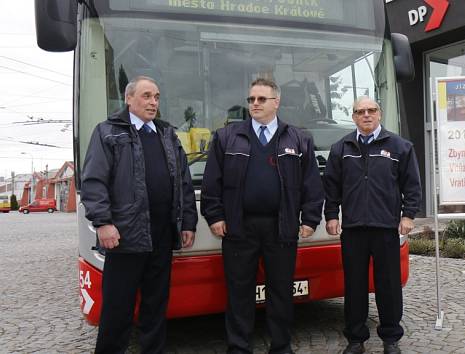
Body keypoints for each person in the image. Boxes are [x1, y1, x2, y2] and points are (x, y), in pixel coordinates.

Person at [201, 78, 323, 354]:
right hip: (238, 227)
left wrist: (310, 220)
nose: (254, 104)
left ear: (276, 102)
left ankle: (281, 346)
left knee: (281, 290)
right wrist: (215, 216)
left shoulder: (298, 138)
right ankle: (238, 346)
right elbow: (212, 182)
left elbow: (311, 184)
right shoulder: (227, 137)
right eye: (251, 99)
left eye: (261, 99)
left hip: (282, 226)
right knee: (238, 291)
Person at [81, 76, 198, 353]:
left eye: (156, 97)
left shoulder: (167, 133)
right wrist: (103, 223)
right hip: (124, 236)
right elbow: (94, 181)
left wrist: (188, 222)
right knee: (117, 308)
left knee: (156, 305)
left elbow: (183, 181)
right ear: (129, 98)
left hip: (161, 234)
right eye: (146, 96)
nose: (153, 102)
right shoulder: (108, 132)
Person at [323, 97, 421, 354]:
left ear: (379, 113)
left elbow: (412, 185)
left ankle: (391, 339)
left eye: (371, 110)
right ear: (353, 117)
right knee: (354, 286)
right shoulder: (340, 148)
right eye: (360, 111)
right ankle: (356, 340)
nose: (366, 115)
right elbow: (331, 187)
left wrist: (408, 215)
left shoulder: (400, 147)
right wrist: (331, 215)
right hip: (353, 229)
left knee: (388, 286)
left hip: (386, 228)